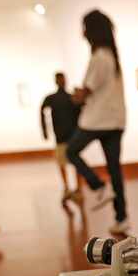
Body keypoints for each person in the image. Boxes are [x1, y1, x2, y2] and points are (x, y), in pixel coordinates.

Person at [66, 9, 130, 235]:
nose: (82, 32)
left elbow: (86, 92)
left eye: (84, 27)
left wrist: (76, 97)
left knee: (71, 152)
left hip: (98, 120)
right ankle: (122, 217)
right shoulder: (111, 56)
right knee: (115, 170)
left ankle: (97, 185)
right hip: (115, 120)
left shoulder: (100, 57)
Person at [41, 72, 82, 202]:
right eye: (59, 80)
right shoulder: (52, 98)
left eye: (62, 79)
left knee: (76, 163)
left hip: (73, 137)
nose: (61, 82)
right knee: (62, 163)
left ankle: (78, 189)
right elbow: (42, 111)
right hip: (61, 137)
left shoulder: (71, 98)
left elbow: (81, 112)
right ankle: (66, 188)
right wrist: (45, 130)